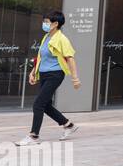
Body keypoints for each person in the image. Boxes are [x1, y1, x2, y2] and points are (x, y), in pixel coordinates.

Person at [16, 10, 80, 147]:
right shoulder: (46, 37)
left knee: (38, 104)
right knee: (45, 105)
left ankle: (34, 136)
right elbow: (41, 57)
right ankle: (68, 125)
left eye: (47, 22)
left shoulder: (62, 39)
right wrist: (33, 72)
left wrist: (75, 78)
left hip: (55, 75)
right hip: (44, 74)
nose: (44, 24)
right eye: (44, 21)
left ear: (56, 24)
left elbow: (70, 58)